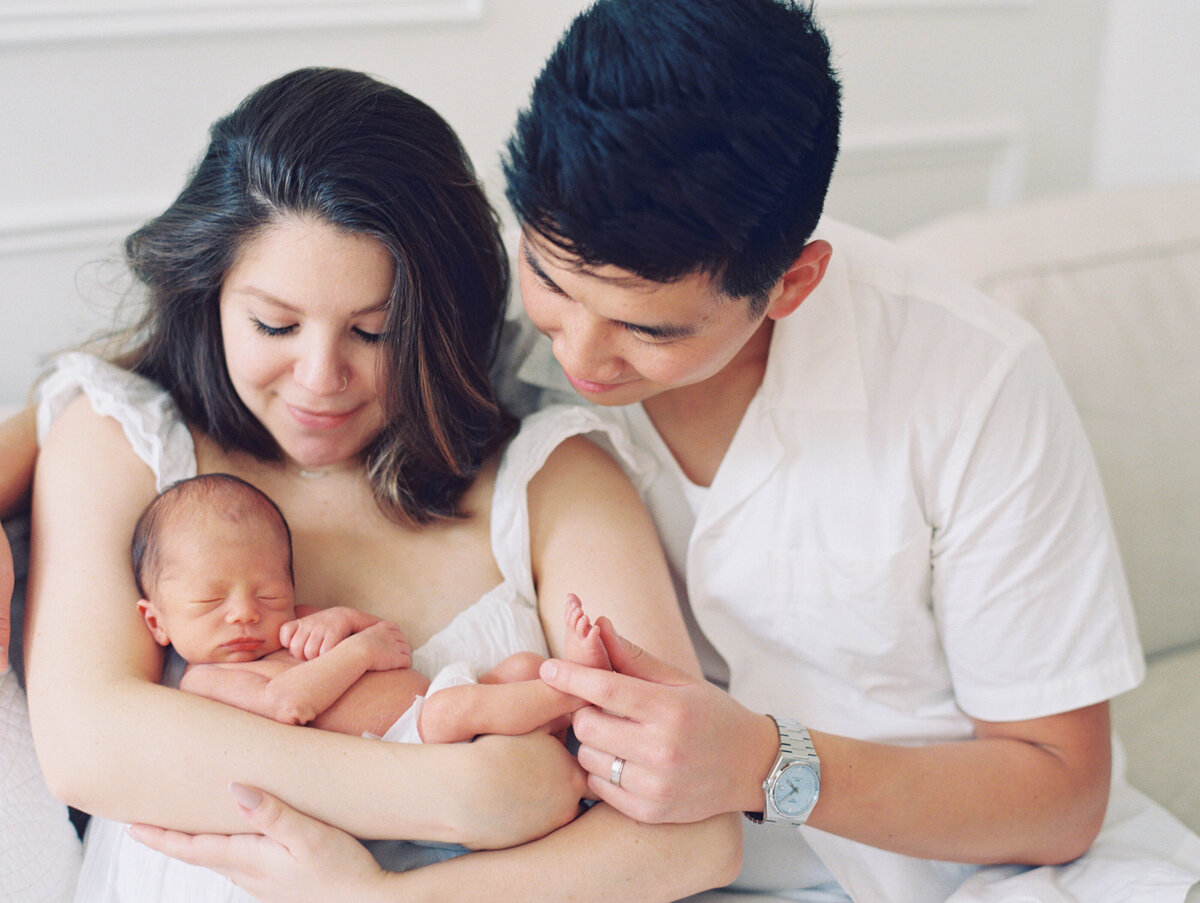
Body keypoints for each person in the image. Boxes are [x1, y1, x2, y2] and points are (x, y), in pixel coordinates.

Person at [130, 2, 1200, 901]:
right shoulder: (492, 316)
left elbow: (1060, 794)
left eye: (651, 330)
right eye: (551, 283)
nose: (583, 355)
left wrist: (765, 763)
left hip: (986, 875)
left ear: (792, 284)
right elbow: (157, 371)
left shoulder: (969, 381)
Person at [20, 66, 741, 903]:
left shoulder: (550, 478)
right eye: (274, 324)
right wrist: (468, 793)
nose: (320, 377)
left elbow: (695, 836)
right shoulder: (127, 440)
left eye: (375, 330)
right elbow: (87, 743)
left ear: (439, 323)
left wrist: (377, 897)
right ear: (209, 288)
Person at [131, 471, 607, 748]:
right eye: (210, 602)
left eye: (268, 594)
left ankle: (564, 720)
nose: (244, 614)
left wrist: (344, 622)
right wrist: (357, 651)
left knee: (521, 667)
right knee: (455, 712)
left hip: (436, 696)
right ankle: (580, 692)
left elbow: (392, 647)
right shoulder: (203, 681)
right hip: (411, 740)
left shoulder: (299, 624)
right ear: (157, 622)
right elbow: (287, 705)